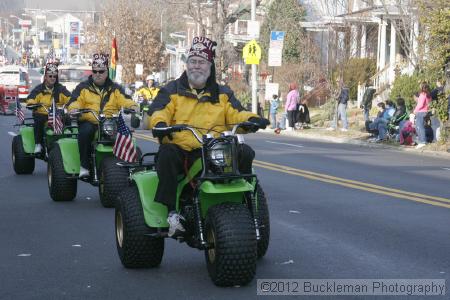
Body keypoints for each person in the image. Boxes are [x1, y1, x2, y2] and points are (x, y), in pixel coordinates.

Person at [148, 36, 269, 237]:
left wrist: (253, 120)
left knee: (245, 152)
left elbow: (236, 114)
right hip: (183, 150)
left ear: (210, 66)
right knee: (167, 155)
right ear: (186, 65)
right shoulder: (171, 90)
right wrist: (160, 124)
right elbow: (159, 111)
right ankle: (172, 213)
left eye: (202, 62)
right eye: (193, 61)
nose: (197, 66)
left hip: (213, 149)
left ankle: (247, 205)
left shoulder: (222, 93)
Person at [67, 53, 138, 178]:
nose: (98, 74)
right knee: (85, 132)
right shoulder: (82, 87)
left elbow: (125, 99)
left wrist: (133, 106)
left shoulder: (115, 88)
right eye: (95, 71)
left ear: (107, 72)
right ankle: (84, 165)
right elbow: (74, 101)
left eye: (101, 71)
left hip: (110, 123)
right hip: (90, 122)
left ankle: (131, 169)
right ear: (92, 72)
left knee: (129, 137)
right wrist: (74, 109)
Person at [26, 62, 71, 153]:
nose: (52, 78)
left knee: (68, 118)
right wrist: (32, 103)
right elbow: (31, 98)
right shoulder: (39, 89)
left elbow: (70, 98)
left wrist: (72, 104)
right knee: (39, 119)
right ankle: (38, 144)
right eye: (50, 76)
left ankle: (69, 139)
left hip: (57, 114)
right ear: (45, 76)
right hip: (43, 113)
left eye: (54, 76)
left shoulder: (61, 89)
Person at [413, 82, 432, 149]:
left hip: (420, 112)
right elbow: (429, 104)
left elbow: (420, 104)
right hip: (426, 112)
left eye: (420, 86)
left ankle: (422, 141)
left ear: (422, 87)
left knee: (419, 127)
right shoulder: (428, 94)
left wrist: (415, 110)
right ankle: (423, 141)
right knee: (422, 127)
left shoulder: (422, 94)